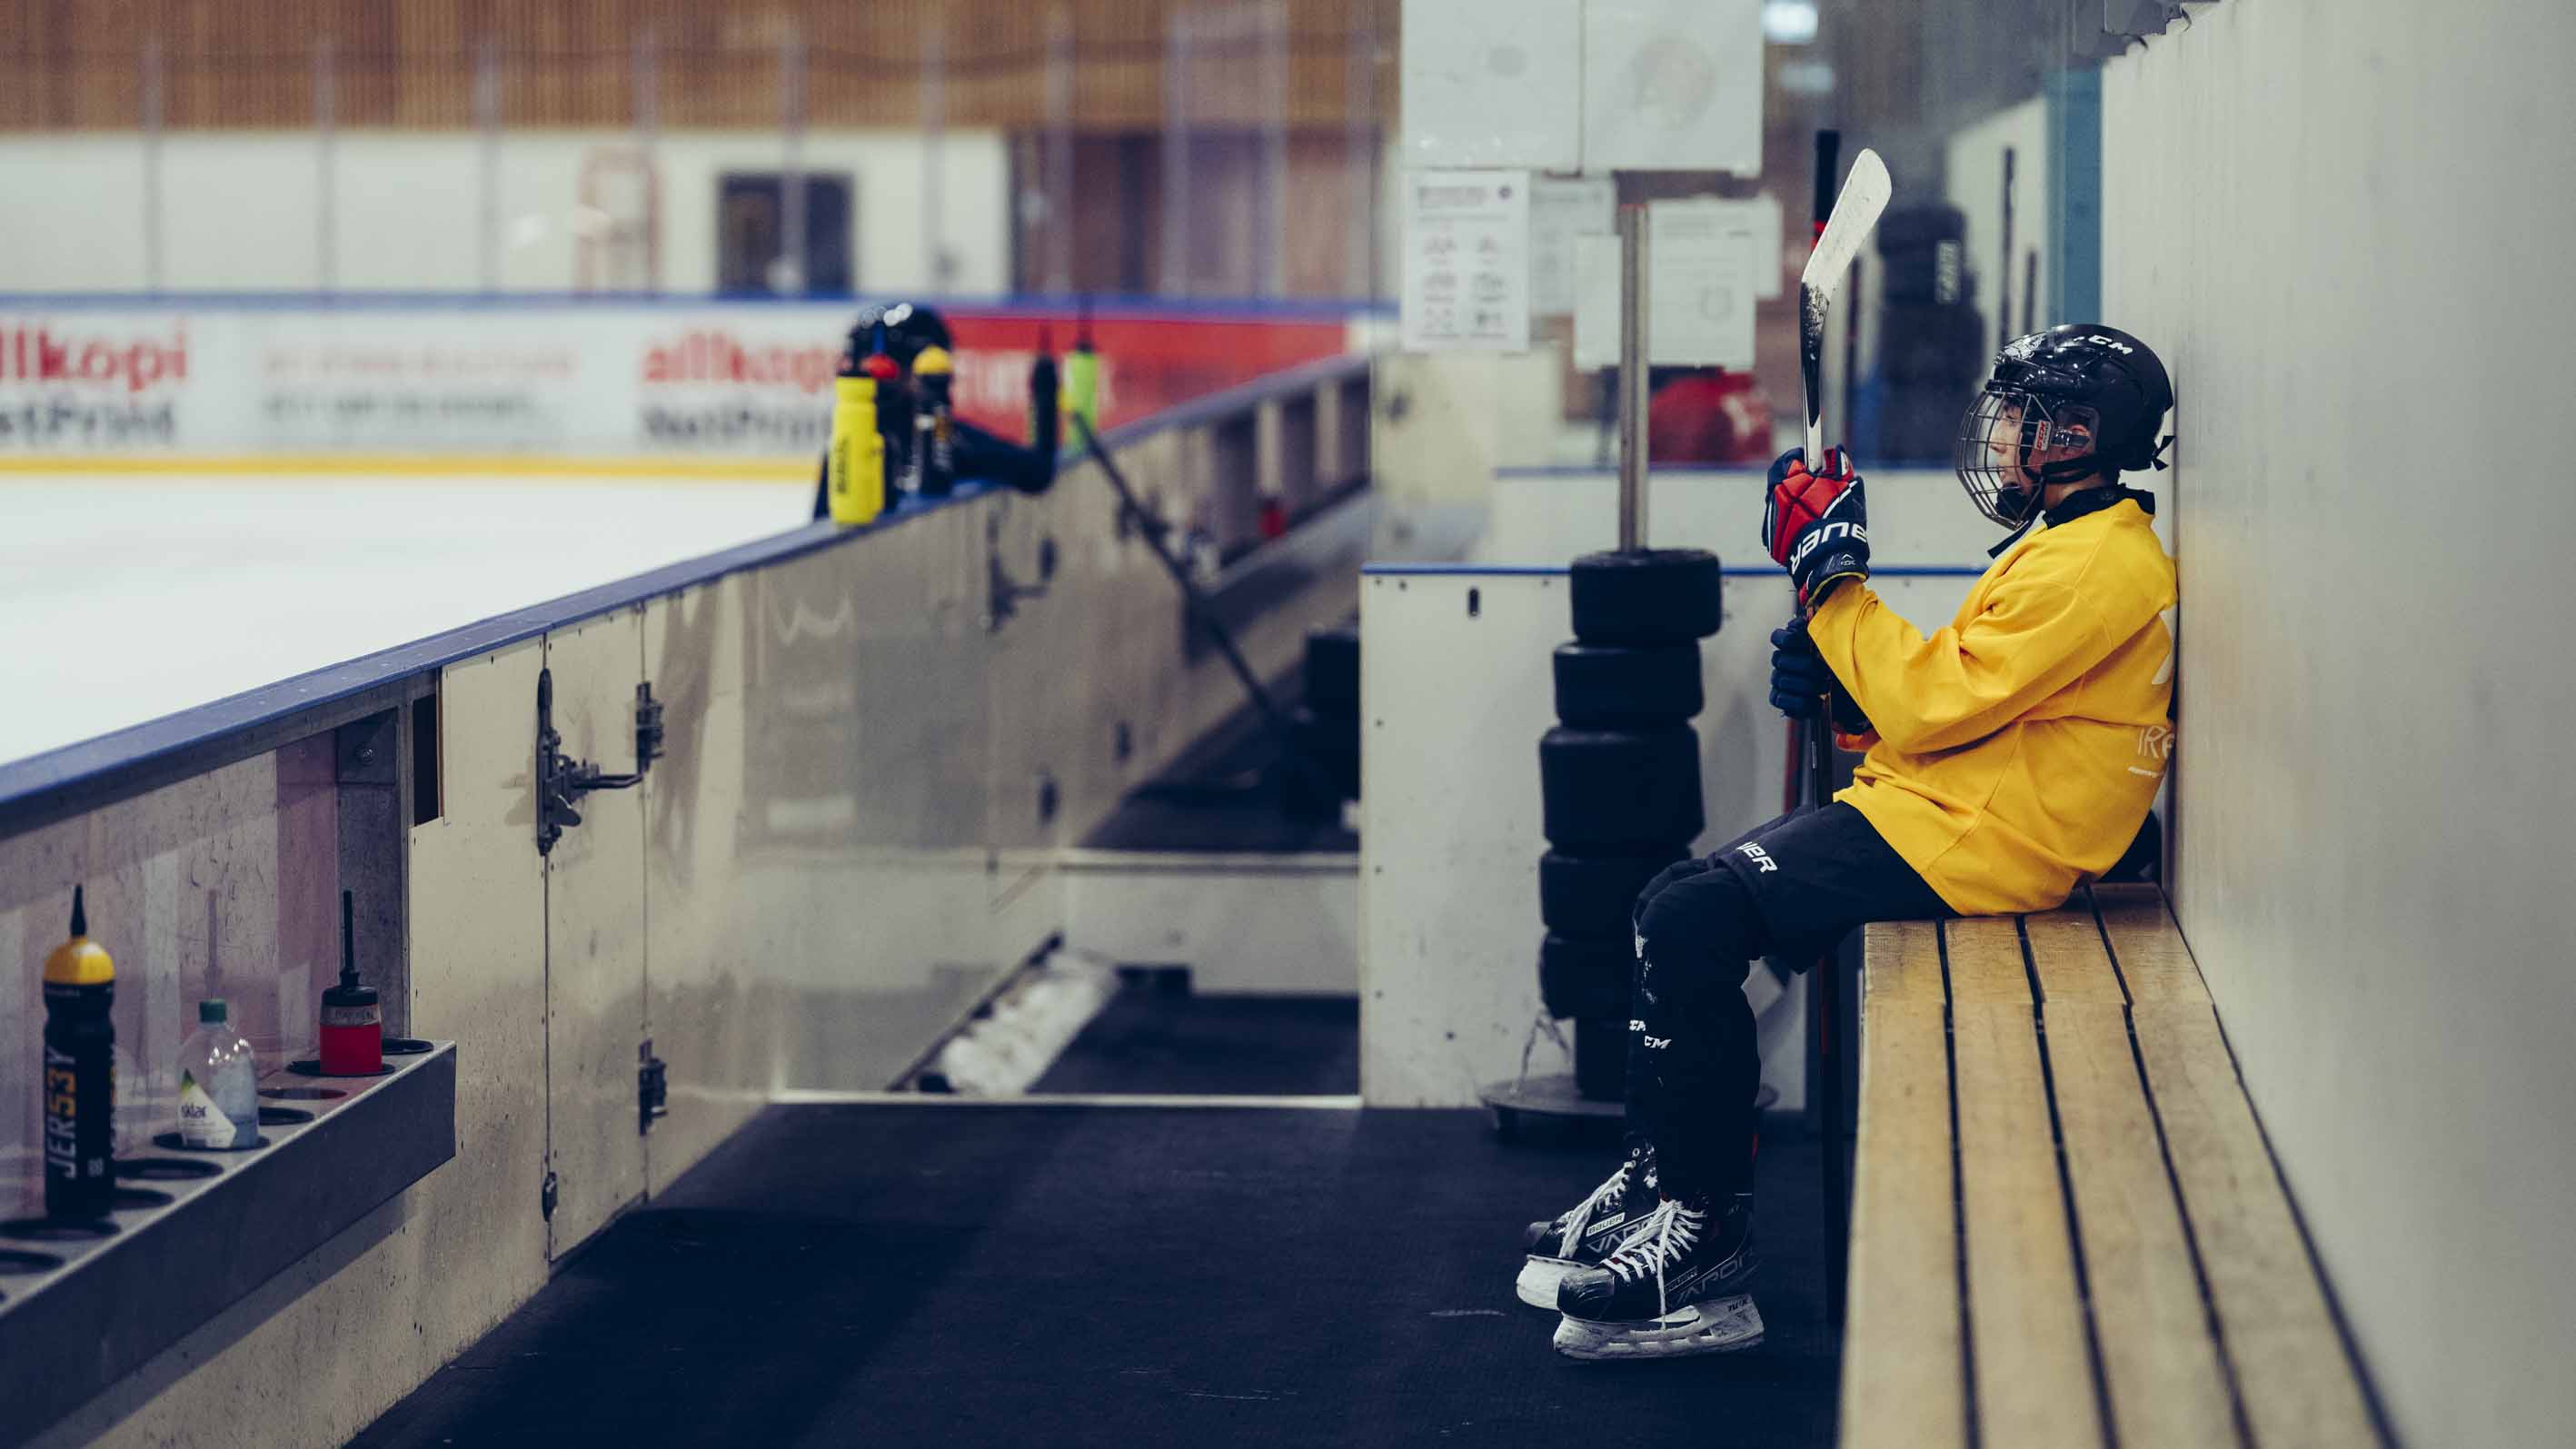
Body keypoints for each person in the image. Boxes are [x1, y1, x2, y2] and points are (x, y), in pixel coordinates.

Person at [1524, 323, 2180, 1361]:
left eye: (2022, 414)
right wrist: (1849, 702)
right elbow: (1975, 709)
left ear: (2080, 434)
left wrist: (1834, 583)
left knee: (1695, 915)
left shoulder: (2097, 563)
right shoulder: (2070, 546)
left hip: (1986, 845)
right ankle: (1664, 1177)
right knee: (1672, 900)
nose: (2004, 431)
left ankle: (1707, 1253)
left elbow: (1931, 704)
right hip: (1954, 814)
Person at [808, 301, 1057, 521]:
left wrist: (1045, 396)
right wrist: (1046, 393)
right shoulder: (950, 439)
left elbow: (1035, 472)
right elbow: (1037, 472)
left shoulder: (853, 439)